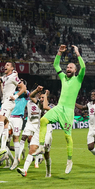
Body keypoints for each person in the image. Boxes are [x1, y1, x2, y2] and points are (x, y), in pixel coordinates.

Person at [33, 45, 86, 174]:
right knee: (44, 120)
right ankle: (40, 146)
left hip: (68, 111)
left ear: (75, 70)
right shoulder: (63, 77)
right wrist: (59, 53)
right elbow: (56, 65)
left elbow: (83, 67)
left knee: (68, 137)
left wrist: (77, 53)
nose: (68, 68)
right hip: (58, 108)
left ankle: (69, 161)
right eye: (67, 67)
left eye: (71, 67)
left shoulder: (78, 79)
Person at [0, 63, 27, 157]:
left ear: (12, 68)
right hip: (5, 102)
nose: (5, 66)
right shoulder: (4, 77)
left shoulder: (13, 76)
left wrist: (16, 96)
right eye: (5, 65)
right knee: (5, 123)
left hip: (9, 101)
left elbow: (23, 87)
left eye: (8, 65)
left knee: (0, 118)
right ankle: (3, 147)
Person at [17, 86, 53, 177]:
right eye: (40, 97)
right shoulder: (39, 105)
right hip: (38, 131)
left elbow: (45, 107)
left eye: (43, 98)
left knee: (47, 154)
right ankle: (24, 170)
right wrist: (37, 90)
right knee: (32, 149)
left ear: (47, 99)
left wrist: (45, 95)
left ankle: (48, 172)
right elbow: (31, 96)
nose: (40, 99)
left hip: (47, 132)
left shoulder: (52, 107)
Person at [8, 79, 30, 170]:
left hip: (18, 118)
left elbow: (25, 90)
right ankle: (9, 159)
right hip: (9, 117)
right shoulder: (14, 92)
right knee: (4, 138)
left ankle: (16, 161)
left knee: (15, 138)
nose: (18, 83)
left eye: (20, 82)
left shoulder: (25, 94)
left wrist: (22, 85)